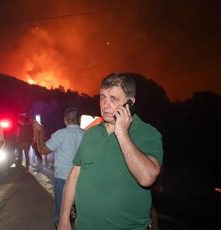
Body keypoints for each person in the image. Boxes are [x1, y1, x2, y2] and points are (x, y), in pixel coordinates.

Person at [58, 73, 164, 230]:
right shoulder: (91, 133)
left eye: (113, 99)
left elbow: (147, 178)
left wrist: (122, 133)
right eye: (102, 98)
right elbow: (74, 175)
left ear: (130, 103)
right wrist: (64, 217)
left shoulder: (147, 134)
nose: (105, 105)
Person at [33, 108, 85, 228]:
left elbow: (42, 150)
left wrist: (39, 132)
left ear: (65, 120)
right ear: (79, 120)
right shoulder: (86, 135)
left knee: (62, 212)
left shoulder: (61, 134)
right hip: (82, 178)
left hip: (63, 178)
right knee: (80, 211)